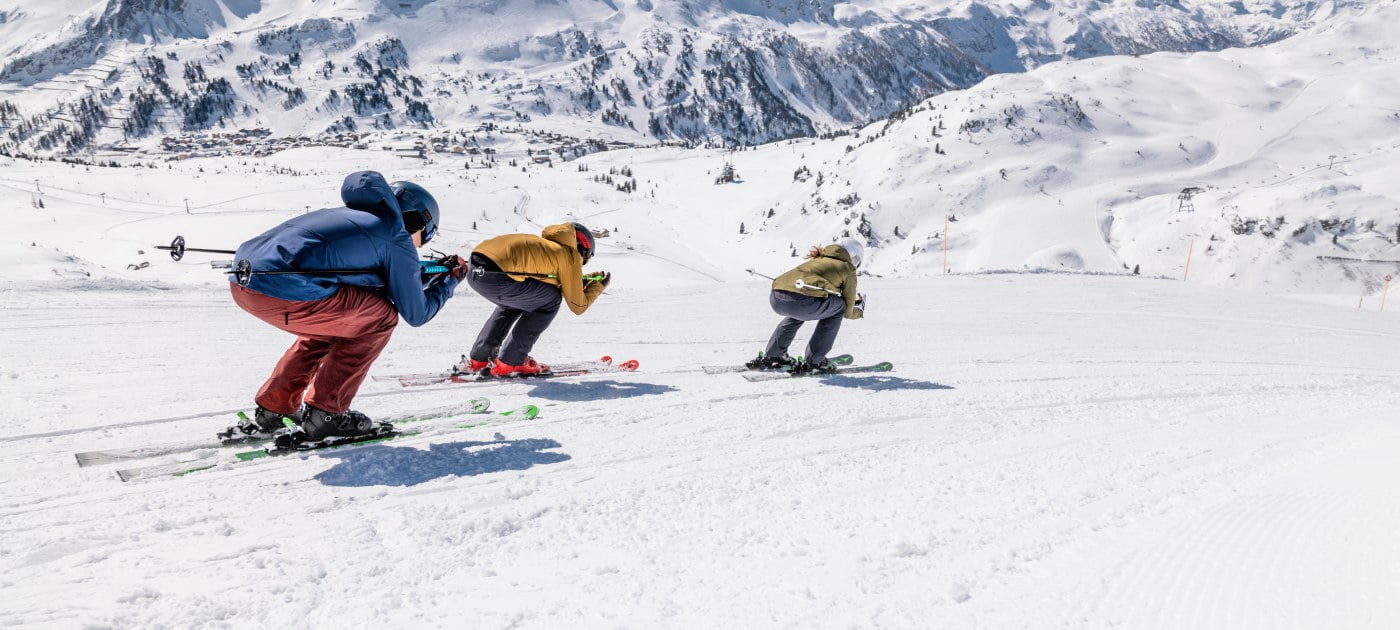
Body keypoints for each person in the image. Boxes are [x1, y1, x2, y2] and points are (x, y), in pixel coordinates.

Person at [229, 170, 465, 440]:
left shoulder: (351, 217)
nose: (419, 246)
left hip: (245, 284)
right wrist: (449, 282)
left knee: (335, 326)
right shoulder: (395, 234)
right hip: (288, 290)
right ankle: (326, 414)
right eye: (425, 236)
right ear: (417, 221)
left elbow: (367, 273)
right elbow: (416, 313)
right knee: (381, 319)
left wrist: (426, 273)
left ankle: (275, 408)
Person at [455, 222, 609, 377]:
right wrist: (598, 286)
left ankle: (480, 358)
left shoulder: (546, 246)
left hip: (476, 271)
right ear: (583, 248)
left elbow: (542, 278)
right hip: (501, 277)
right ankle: (512, 361)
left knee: (517, 301)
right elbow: (578, 305)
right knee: (551, 301)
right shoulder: (569, 254)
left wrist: (578, 281)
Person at [747, 237, 866, 374]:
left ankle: (774, 355)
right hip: (803, 300)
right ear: (854, 256)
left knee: (799, 310)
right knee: (838, 307)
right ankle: (815, 361)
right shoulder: (848, 268)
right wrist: (859, 311)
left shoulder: (817, 259)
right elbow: (847, 310)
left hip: (776, 298)